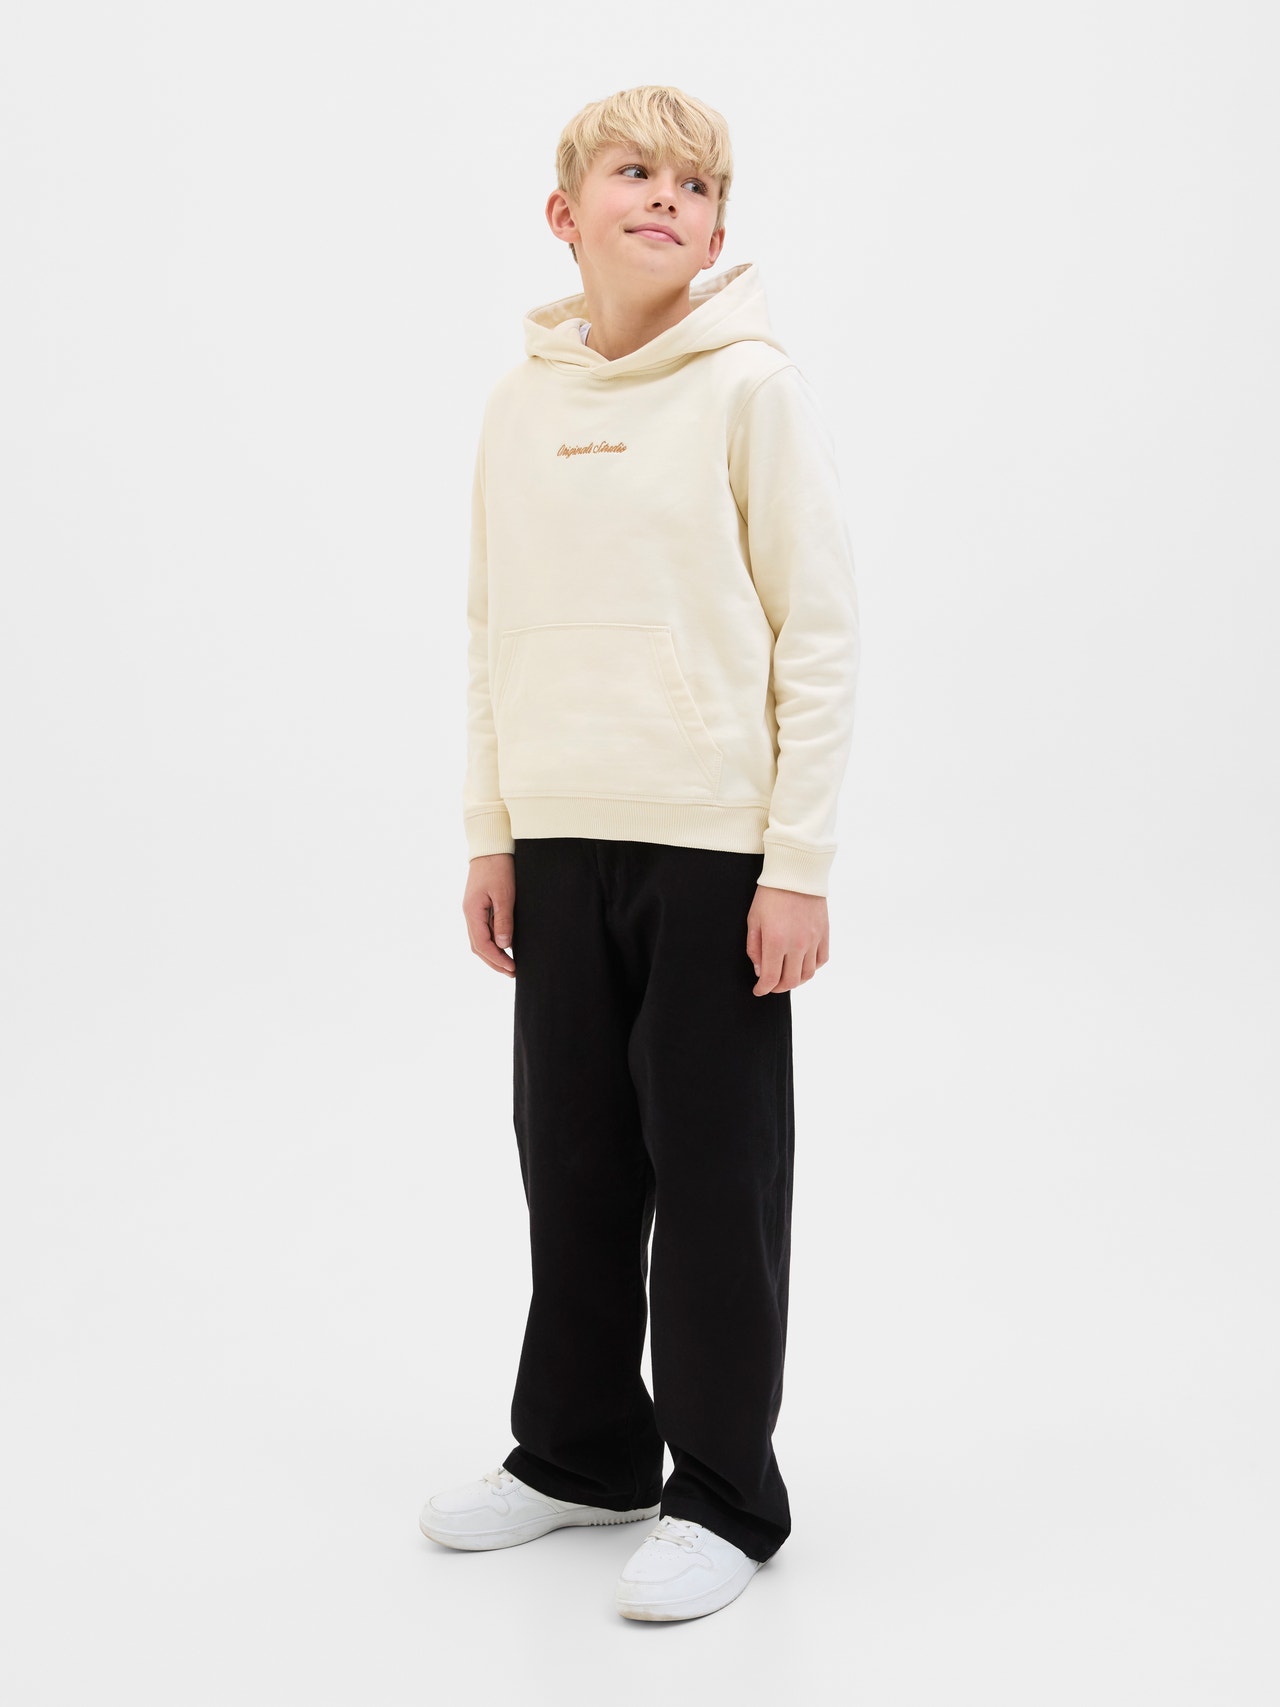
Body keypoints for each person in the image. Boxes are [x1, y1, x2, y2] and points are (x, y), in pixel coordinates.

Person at [419, 83, 860, 1624]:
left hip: (711, 854)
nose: (665, 197)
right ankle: (583, 1450)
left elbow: (819, 633)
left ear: (718, 229)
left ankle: (727, 1493)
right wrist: (492, 832)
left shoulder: (752, 390)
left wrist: (796, 862)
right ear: (566, 213)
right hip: (558, 842)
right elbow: (491, 630)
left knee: (717, 1175)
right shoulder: (516, 407)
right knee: (575, 1160)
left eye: (694, 183)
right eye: (633, 171)